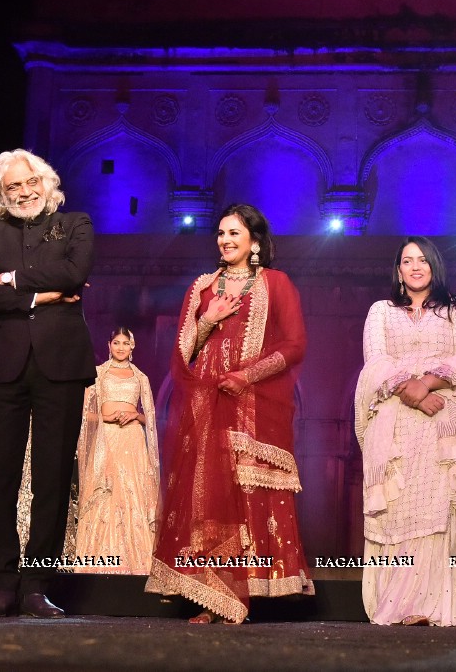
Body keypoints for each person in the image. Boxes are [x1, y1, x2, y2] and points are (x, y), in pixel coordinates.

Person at [146, 204, 312, 624]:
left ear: (254, 241)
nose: (225, 240)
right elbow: (182, 354)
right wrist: (206, 320)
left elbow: (295, 346)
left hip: (253, 406)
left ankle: (239, 596)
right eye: (221, 233)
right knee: (206, 500)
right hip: (205, 407)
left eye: (235, 233)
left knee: (243, 497)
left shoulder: (276, 283)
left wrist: (247, 377)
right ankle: (211, 596)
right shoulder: (203, 286)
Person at [0, 149, 95, 618]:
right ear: (0, 194)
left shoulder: (75, 223)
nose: (23, 191)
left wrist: (15, 281)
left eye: (30, 182)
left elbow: (76, 272)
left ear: (46, 182)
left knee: (53, 478)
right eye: (13, 186)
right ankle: (2, 583)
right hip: (2, 367)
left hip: (62, 363)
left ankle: (37, 583)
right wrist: (41, 295)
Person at [355, 236, 456, 627]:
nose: (415, 267)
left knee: (439, 507)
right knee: (398, 510)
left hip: (443, 420)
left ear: (435, 266)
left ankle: (435, 605)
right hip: (395, 421)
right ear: (398, 270)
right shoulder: (380, 311)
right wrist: (410, 391)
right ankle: (397, 603)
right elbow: (375, 361)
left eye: (423, 260)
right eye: (407, 261)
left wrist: (428, 383)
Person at [74, 327, 159, 574]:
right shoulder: (98, 375)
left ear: (133, 346)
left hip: (132, 441)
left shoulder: (141, 378)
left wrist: (135, 414)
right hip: (107, 439)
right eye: (116, 342)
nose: (121, 347)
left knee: (132, 494)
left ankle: (137, 564)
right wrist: (105, 417)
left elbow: (151, 420)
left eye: (126, 343)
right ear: (109, 345)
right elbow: (83, 413)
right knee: (105, 492)